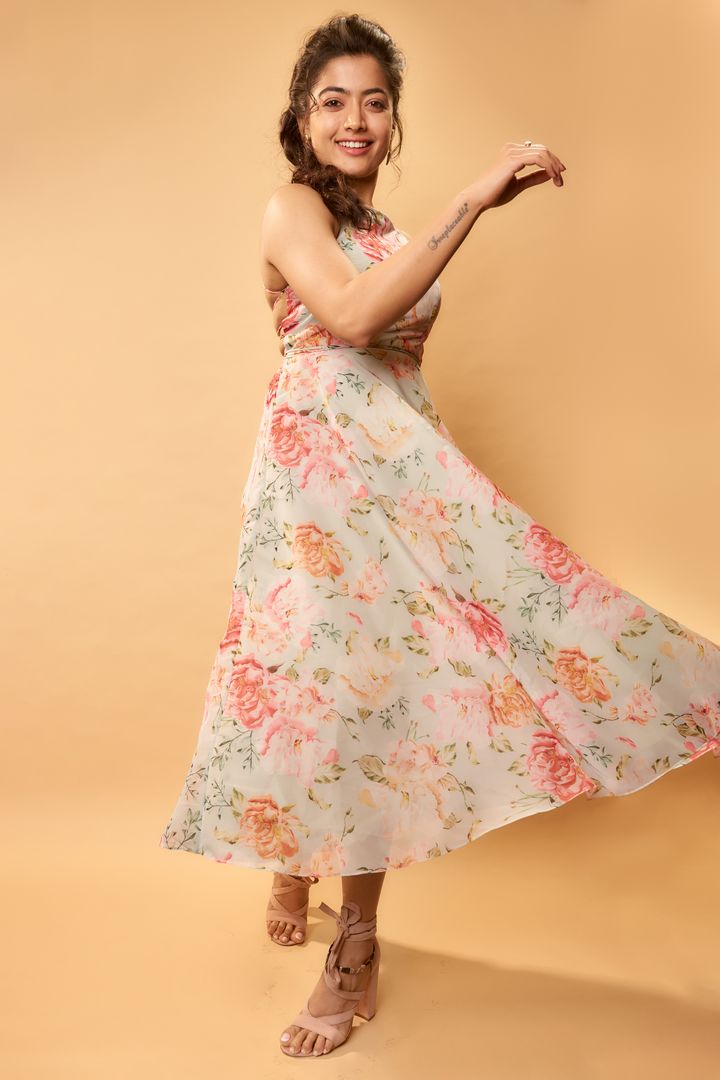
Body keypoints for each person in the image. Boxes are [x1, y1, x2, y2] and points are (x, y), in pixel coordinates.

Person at [159, 12, 720, 1060]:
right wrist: (474, 199)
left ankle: (355, 939)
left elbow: (393, 359)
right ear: (302, 120)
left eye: (374, 101)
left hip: (401, 472)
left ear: (393, 119)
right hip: (318, 485)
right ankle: (297, 861)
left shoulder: (384, 228)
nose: (355, 118)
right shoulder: (290, 209)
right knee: (315, 679)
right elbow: (352, 322)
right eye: (333, 100)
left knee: (390, 686)